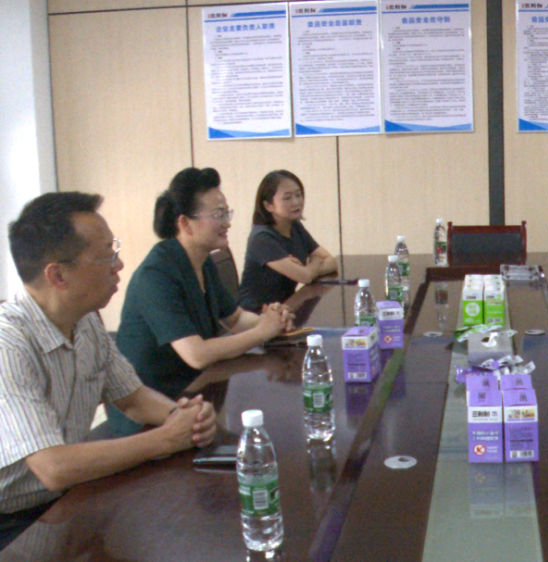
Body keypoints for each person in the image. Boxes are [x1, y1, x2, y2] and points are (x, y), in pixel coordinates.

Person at [0, 192, 216, 551]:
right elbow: (52, 467)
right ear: (57, 275)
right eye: (106, 255)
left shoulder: (85, 320)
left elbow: (133, 398)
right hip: (12, 523)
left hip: (61, 500)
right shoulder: (8, 345)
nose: (119, 265)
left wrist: (183, 416)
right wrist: (165, 438)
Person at [110, 167, 291, 435]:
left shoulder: (203, 261)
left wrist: (272, 321)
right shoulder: (156, 274)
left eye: (226, 213)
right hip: (151, 412)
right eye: (218, 215)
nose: (227, 223)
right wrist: (262, 332)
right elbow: (197, 355)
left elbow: (236, 318)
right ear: (185, 224)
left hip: (194, 392)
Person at [237, 170, 339, 312]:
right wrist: (315, 262)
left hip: (286, 307)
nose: (296, 202)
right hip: (258, 314)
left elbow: (331, 261)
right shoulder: (262, 238)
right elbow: (305, 277)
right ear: (268, 205)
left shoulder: (295, 226)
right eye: (287, 198)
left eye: (298, 195)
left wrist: (309, 268)